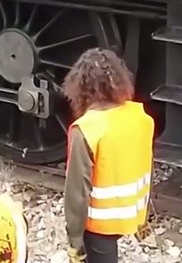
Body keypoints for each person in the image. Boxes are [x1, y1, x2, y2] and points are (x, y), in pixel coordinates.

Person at [61, 48, 155, 263]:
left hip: (100, 225)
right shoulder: (141, 118)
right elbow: (147, 168)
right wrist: (144, 217)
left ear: (79, 88)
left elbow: (77, 192)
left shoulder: (85, 130)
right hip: (132, 213)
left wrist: (75, 241)